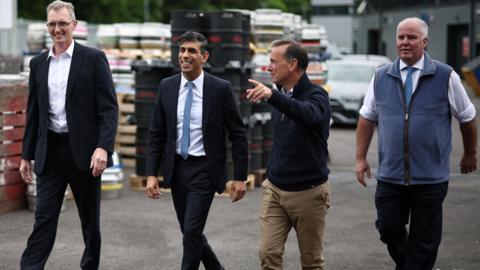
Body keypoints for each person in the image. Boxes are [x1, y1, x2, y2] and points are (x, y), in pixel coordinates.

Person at [356, 17, 477, 270]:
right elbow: (367, 116)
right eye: (401, 37)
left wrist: (470, 153)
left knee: (425, 240)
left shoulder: (445, 76)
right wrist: (360, 158)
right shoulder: (381, 76)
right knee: (388, 228)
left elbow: (467, 117)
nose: (405, 42)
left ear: (424, 41)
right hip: (390, 176)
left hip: (430, 178)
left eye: (411, 37)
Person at [18, 1, 118, 269]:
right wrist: (27, 155)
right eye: (52, 24)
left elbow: (109, 109)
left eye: (63, 23)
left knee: (89, 221)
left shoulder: (94, 59)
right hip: (50, 152)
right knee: (44, 217)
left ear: (74, 25)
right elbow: (34, 112)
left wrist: (103, 148)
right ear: (47, 26)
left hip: (85, 153)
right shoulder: (38, 63)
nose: (57, 29)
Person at [145, 31, 248, 270]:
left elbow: (238, 133)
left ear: (204, 56)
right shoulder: (167, 86)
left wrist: (240, 177)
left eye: (192, 51)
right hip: (177, 169)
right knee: (190, 232)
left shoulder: (220, 88)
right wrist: (151, 174)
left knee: (191, 231)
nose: (185, 55)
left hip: (204, 169)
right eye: (182, 50)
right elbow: (156, 133)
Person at [247, 39, 331, 270]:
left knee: (311, 262)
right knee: (268, 254)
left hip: (309, 193)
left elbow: (305, 113)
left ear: (293, 64)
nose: (268, 67)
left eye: (273, 61)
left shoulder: (317, 96)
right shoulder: (280, 96)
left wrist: (273, 97)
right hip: (275, 190)